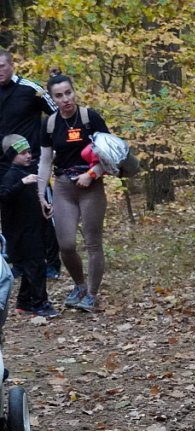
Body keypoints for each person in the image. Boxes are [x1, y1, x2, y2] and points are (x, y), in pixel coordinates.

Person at [37, 73, 110, 312]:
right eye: (59, 95)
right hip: (63, 186)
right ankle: (79, 285)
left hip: (91, 186)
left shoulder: (90, 118)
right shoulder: (49, 124)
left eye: (68, 93)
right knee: (66, 244)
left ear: (73, 91)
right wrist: (41, 194)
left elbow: (111, 155)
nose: (65, 99)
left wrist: (92, 174)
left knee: (92, 242)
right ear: (52, 98)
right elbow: (45, 161)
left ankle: (92, 294)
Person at [0, 51, 61, 278]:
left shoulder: (30, 89)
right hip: (4, 167)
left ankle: (52, 263)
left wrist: (52, 148)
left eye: (2, 66)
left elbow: (57, 112)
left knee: (41, 210)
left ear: (11, 65)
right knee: (10, 216)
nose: (0, 71)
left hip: (32, 162)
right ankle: (17, 263)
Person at [0, 135, 56, 317]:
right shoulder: (12, 175)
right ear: (12, 156)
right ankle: (40, 304)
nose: (28, 156)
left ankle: (24, 302)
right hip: (20, 232)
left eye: (29, 152)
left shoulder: (27, 173)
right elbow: (4, 196)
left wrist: (44, 205)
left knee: (30, 266)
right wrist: (21, 184)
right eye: (23, 153)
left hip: (34, 228)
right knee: (36, 266)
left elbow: (33, 198)